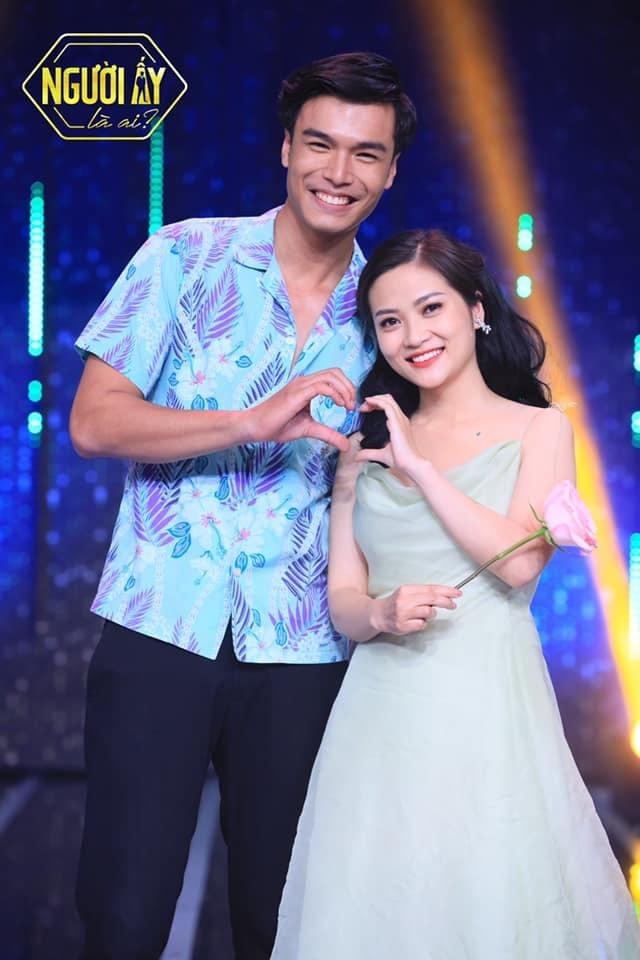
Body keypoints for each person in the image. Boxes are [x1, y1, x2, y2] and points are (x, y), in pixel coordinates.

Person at [69, 52, 417, 960]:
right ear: (285, 149)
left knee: (283, 918)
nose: (339, 172)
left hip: (304, 646)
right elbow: (95, 424)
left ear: (390, 172)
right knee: (125, 914)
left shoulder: (388, 310)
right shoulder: (185, 255)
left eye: (366, 154)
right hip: (160, 623)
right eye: (320, 144)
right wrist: (251, 421)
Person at [271, 229, 640, 959]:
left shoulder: (540, 428)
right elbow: (343, 598)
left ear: (475, 309)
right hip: (378, 716)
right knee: (376, 909)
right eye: (390, 321)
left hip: (487, 709)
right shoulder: (363, 448)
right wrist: (378, 613)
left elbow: (519, 565)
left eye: (431, 308)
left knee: (483, 903)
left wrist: (421, 467)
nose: (414, 335)